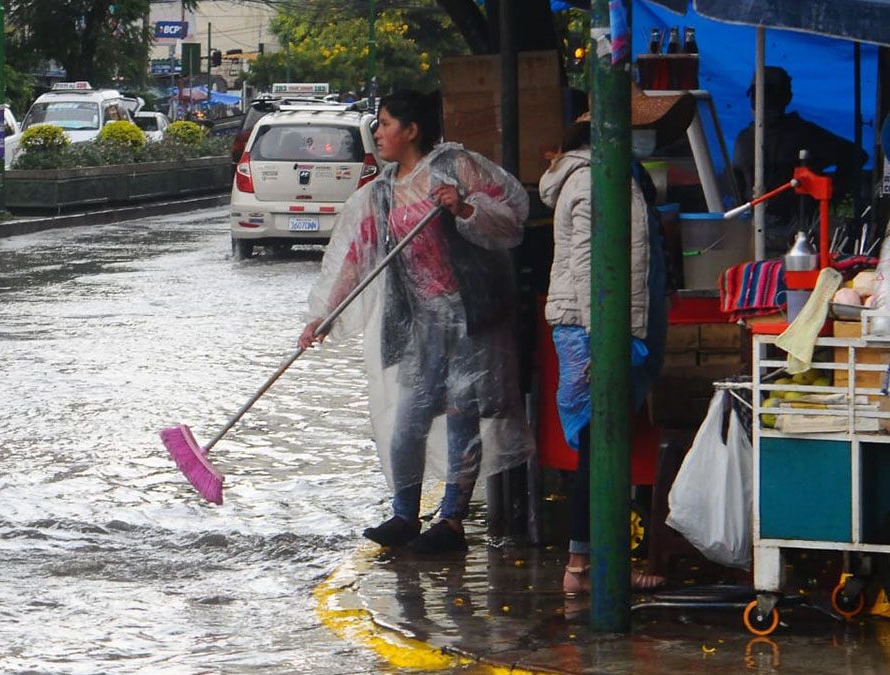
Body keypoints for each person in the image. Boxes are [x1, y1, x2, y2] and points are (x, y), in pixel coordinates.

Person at [297, 90, 533, 555]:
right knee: (408, 421)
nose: (378, 133)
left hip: (470, 317)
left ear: (412, 130)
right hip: (420, 325)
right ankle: (405, 513)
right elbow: (356, 260)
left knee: (463, 417)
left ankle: (451, 522)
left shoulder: (454, 167)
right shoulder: (382, 192)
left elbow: (511, 220)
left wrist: (464, 207)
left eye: (385, 124)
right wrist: (326, 315)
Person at [540, 85, 693, 594]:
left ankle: (591, 562)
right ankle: (584, 567)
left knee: (603, 444)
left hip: (604, 327)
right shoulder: (593, 180)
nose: (648, 138)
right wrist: (600, 340)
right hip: (593, 329)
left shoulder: (618, 175)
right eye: (641, 127)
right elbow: (588, 268)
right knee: (598, 445)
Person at [732, 66, 868, 254]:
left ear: (786, 98)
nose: (762, 101)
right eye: (757, 95)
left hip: (800, 235)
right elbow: (736, 188)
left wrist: (831, 192)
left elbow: (855, 156)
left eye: (770, 94)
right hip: (754, 233)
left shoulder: (804, 134)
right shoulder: (744, 139)